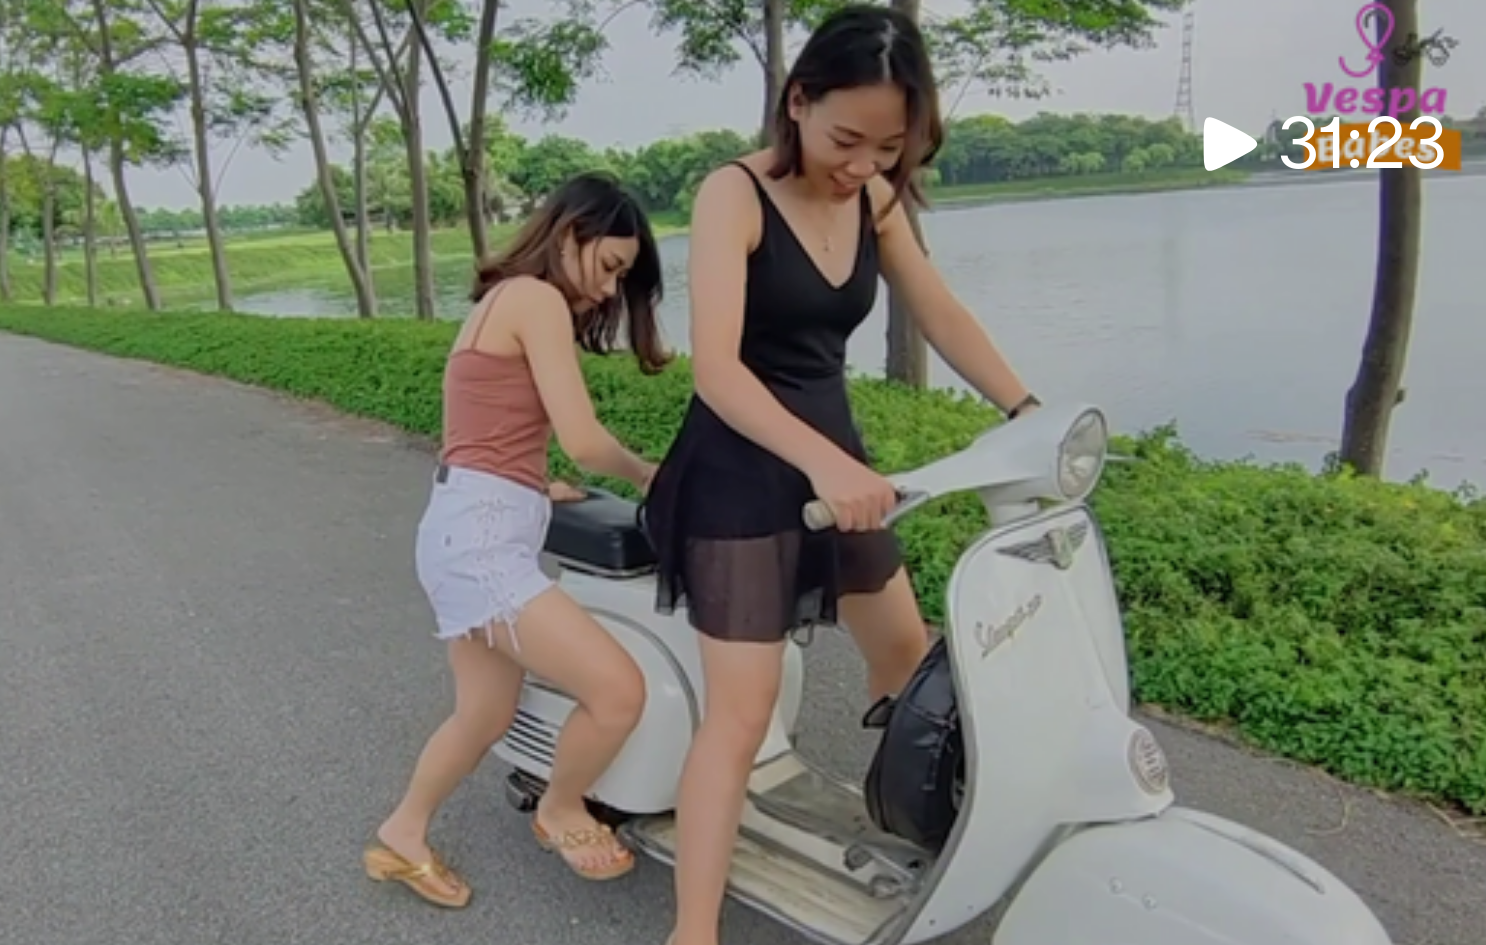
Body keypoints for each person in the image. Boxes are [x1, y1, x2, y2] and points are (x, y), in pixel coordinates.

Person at [639, 7, 1040, 944]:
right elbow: (717, 370)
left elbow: (940, 311)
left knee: (910, 663)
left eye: (889, 148)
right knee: (740, 717)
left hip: (839, 469)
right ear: (799, 102)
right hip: (741, 476)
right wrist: (825, 462)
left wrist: (1028, 410)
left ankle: (925, 844)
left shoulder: (877, 200)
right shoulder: (732, 195)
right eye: (846, 140)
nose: (863, 165)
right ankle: (692, 930)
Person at [364, 171, 669, 909]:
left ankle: (402, 835)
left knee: (484, 713)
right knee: (617, 691)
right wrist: (650, 475)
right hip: (483, 546)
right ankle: (561, 808)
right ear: (570, 235)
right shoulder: (536, 299)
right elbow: (583, 438)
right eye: (609, 267)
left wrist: (533, 485)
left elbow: (484, 432)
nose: (608, 290)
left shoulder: (504, 298)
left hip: (467, 527)